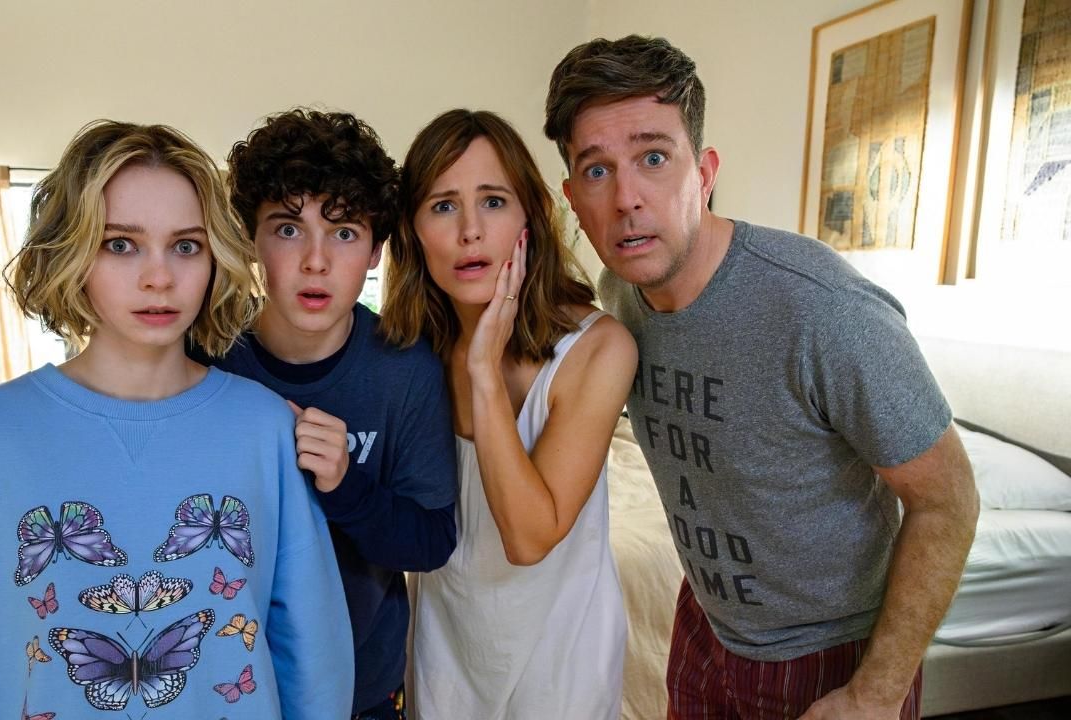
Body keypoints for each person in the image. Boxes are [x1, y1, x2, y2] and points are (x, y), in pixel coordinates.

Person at [545, 35, 979, 719]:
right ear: (573, 197)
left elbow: (949, 501)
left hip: (830, 655)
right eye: (597, 170)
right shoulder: (619, 294)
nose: (627, 198)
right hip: (705, 624)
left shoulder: (822, 309)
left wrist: (876, 694)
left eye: (653, 157)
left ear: (704, 172)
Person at [0, 120, 352, 719]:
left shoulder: (263, 426)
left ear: (216, 258)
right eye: (120, 244)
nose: (159, 277)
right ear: (72, 253)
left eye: (186, 246)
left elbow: (313, 656)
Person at [188, 108, 457, 720]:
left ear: (376, 252)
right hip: (224, 685)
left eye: (344, 233)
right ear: (250, 240)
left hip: (362, 691)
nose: (315, 260)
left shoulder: (406, 369)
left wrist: (344, 485)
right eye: (288, 229)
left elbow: (431, 542)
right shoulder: (204, 357)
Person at [383, 109, 636, 720]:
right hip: (444, 655)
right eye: (443, 206)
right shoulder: (408, 351)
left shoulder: (600, 349)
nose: (470, 231)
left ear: (530, 217)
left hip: (560, 667)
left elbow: (527, 539)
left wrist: (482, 370)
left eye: (493, 201)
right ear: (413, 231)